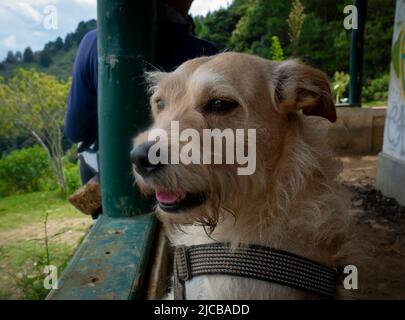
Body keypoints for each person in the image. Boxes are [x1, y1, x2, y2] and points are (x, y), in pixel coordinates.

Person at [64, 0, 218, 219]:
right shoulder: (205, 53)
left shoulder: (92, 43)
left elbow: (75, 130)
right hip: (189, 192)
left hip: (113, 193)